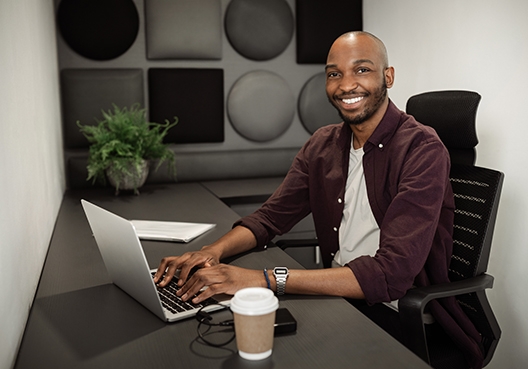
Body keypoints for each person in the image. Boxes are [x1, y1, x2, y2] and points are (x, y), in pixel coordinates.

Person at [154, 31, 483, 368]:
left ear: (388, 76)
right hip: (339, 297)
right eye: (334, 74)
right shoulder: (324, 144)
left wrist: (263, 279)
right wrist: (211, 252)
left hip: (396, 313)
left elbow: (391, 274)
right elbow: (270, 218)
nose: (345, 85)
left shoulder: (422, 150)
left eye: (362, 70)